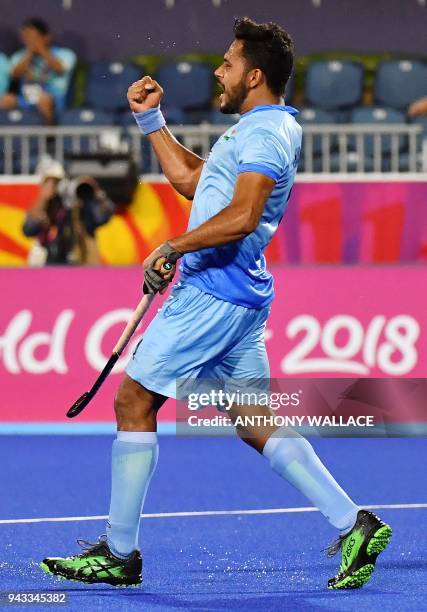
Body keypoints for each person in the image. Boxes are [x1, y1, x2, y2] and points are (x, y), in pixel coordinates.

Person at [40, 17, 392, 590]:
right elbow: (197, 182)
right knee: (254, 423)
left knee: (133, 402)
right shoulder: (259, 129)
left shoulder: (264, 135)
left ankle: (119, 554)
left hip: (210, 296)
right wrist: (151, 121)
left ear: (254, 75)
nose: (217, 71)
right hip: (241, 299)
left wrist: (174, 245)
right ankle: (354, 522)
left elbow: (244, 216)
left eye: (227, 64)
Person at [23, 158, 114, 265]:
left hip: (81, 260)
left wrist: (96, 194)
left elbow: (103, 217)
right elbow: (28, 230)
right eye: (55, 183)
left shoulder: (84, 205)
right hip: (52, 260)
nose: (62, 187)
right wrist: (43, 198)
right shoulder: (50, 205)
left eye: (60, 181)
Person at [0, 18, 76, 124]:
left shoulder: (65, 54)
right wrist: (29, 53)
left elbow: (59, 69)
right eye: (26, 37)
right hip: (26, 99)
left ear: (46, 37)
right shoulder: (20, 55)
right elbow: (14, 74)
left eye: (33, 37)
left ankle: (48, 139)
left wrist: (42, 49)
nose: (29, 41)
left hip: (54, 98)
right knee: (4, 100)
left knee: (44, 100)